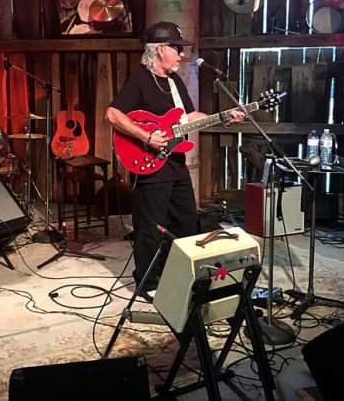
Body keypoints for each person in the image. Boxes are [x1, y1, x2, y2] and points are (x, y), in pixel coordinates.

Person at [105, 22, 245, 300]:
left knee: (187, 221)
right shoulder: (140, 80)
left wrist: (223, 116)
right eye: (177, 49)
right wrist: (146, 137)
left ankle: (179, 273)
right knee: (150, 227)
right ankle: (147, 282)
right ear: (160, 50)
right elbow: (112, 114)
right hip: (151, 166)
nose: (181, 54)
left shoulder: (174, 81)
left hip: (175, 163)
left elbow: (188, 119)